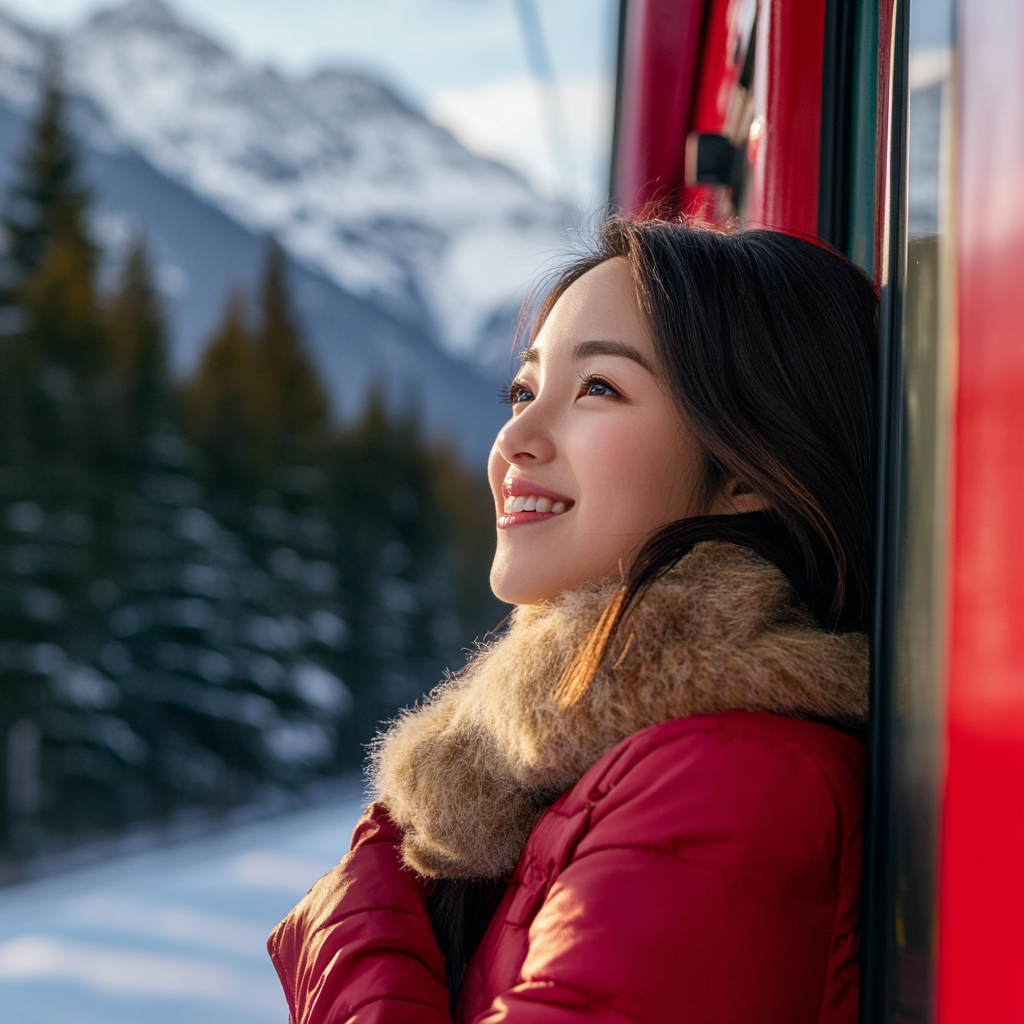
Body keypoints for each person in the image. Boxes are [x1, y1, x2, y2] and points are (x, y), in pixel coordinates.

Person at [267, 217, 877, 1024]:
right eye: (524, 391)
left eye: (598, 388)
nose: (516, 437)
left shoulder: (731, 779)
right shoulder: (575, 758)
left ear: (742, 470)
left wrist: (358, 935)